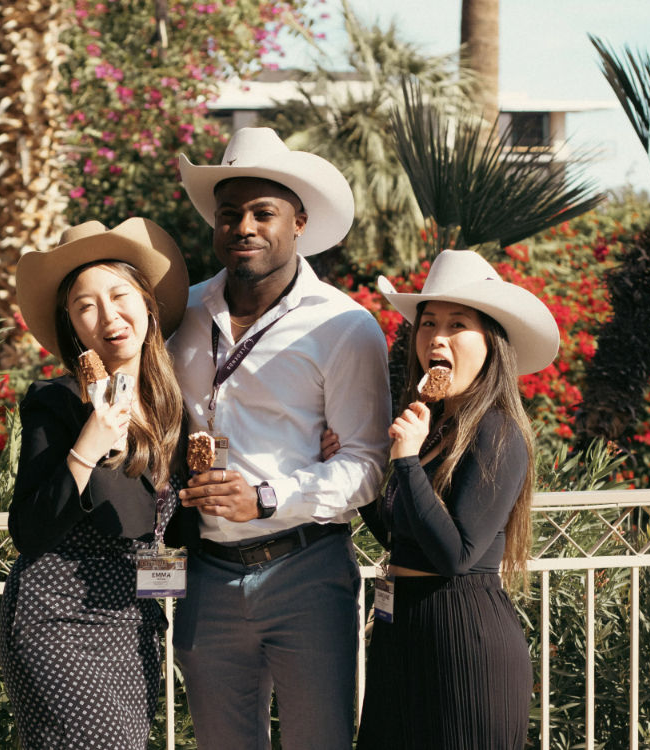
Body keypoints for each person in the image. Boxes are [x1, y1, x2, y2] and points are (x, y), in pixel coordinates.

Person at [166, 127, 391, 749]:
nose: (244, 226)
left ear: (298, 222)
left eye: (263, 212)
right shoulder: (178, 315)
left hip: (307, 569)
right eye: (229, 213)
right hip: (206, 575)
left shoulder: (344, 325)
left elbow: (368, 465)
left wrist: (266, 496)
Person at [354, 249, 560, 749]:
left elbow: (453, 554)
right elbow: (402, 537)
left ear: (491, 341)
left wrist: (404, 461)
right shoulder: (433, 427)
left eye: (457, 324)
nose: (437, 338)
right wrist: (361, 477)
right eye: (427, 324)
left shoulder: (500, 431)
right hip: (400, 625)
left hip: (461, 635)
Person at [0, 217, 189, 749]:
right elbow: (29, 531)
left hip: (134, 625)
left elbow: (180, 528)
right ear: (73, 327)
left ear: (147, 301)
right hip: (58, 619)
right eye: (86, 306)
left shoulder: (173, 410)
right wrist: (88, 443)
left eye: (119, 294)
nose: (108, 316)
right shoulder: (55, 402)